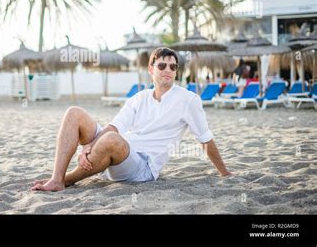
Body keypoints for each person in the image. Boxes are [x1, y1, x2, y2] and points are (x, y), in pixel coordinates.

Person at [31, 47, 231, 192]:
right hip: (118, 154)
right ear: (151, 70)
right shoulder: (139, 98)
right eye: (162, 65)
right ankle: (56, 178)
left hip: (142, 169)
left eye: (173, 66)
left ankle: (66, 180)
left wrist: (225, 174)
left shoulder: (188, 100)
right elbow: (115, 126)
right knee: (74, 113)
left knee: (111, 140)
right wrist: (90, 145)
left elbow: (205, 140)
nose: (168, 70)